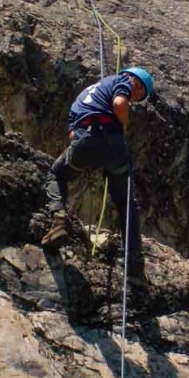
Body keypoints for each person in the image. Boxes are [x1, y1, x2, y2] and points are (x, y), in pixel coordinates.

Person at [42, 67, 154, 284]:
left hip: (85, 140)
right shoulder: (120, 81)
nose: (137, 93)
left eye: (141, 94)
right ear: (130, 78)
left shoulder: (85, 96)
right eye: (138, 88)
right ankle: (135, 269)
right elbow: (120, 104)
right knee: (126, 204)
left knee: (57, 175)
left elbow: (73, 133)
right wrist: (122, 125)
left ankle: (58, 221)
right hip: (112, 141)